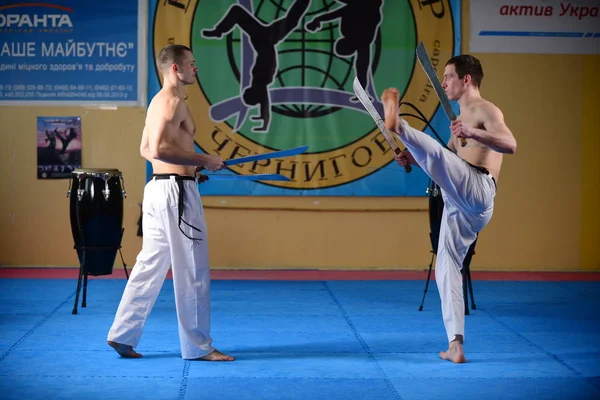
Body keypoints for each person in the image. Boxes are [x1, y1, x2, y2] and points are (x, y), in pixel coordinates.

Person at [382, 54, 517, 363]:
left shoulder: (486, 110)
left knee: (440, 159)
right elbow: (441, 159)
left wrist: (472, 133)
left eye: (448, 77)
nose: (442, 83)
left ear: (466, 80)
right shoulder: (458, 121)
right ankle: (455, 344)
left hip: (480, 189)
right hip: (461, 204)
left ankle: (398, 124)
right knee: (446, 266)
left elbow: (510, 144)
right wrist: (410, 159)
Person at [106, 44, 234, 362]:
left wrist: (193, 165)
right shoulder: (173, 101)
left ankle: (122, 334)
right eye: (192, 64)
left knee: (150, 265)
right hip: (176, 194)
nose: (196, 68)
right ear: (175, 69)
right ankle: (198, 347)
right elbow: (160, 149)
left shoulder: (158, 102)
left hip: (159, 190)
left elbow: (146, 149)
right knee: (192, 269)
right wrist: (202, 157)